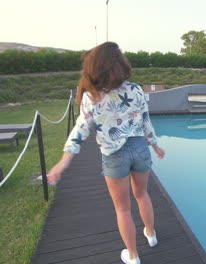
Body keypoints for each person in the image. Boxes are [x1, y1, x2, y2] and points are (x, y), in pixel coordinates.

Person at [48, 41, 165, 264]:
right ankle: (150, 235)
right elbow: (145, 119)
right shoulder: (136, 89)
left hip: (114, 155)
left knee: (122, 208)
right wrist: (155, 144)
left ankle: (133, 256)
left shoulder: (92, 96)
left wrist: (64, 161)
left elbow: (80, 129)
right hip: (140, 148)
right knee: (142, 195)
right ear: (121, 65)